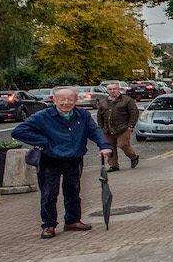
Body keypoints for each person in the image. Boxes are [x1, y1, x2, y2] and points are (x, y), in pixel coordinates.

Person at [11, 86, 112, 240]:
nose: (66, 103)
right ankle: (49, 225)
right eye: (62, 99)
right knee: (49, 194)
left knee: (73, 191)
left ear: (75, 101)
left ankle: (72, 221)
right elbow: (19, 131)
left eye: (70, 99)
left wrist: (104, 146)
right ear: (54, 100)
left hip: (74, 158)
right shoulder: (42, 116)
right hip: (50, 160)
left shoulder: (82, 115)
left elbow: (94, 131)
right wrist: (43, 142)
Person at [95, 82, 140, 170]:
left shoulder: (127, 100)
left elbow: (134, 112)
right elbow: (99, 116)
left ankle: (133, 157)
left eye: (114, 89)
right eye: (110, 89)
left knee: (123, 145)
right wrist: (100, 128)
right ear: (107, 91)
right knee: (110, 148)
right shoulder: (103, 102)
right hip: (107, 129)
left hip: (123, 128)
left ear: (118, 89)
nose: (112, 91)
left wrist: (131, 126)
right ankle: (113, 165)